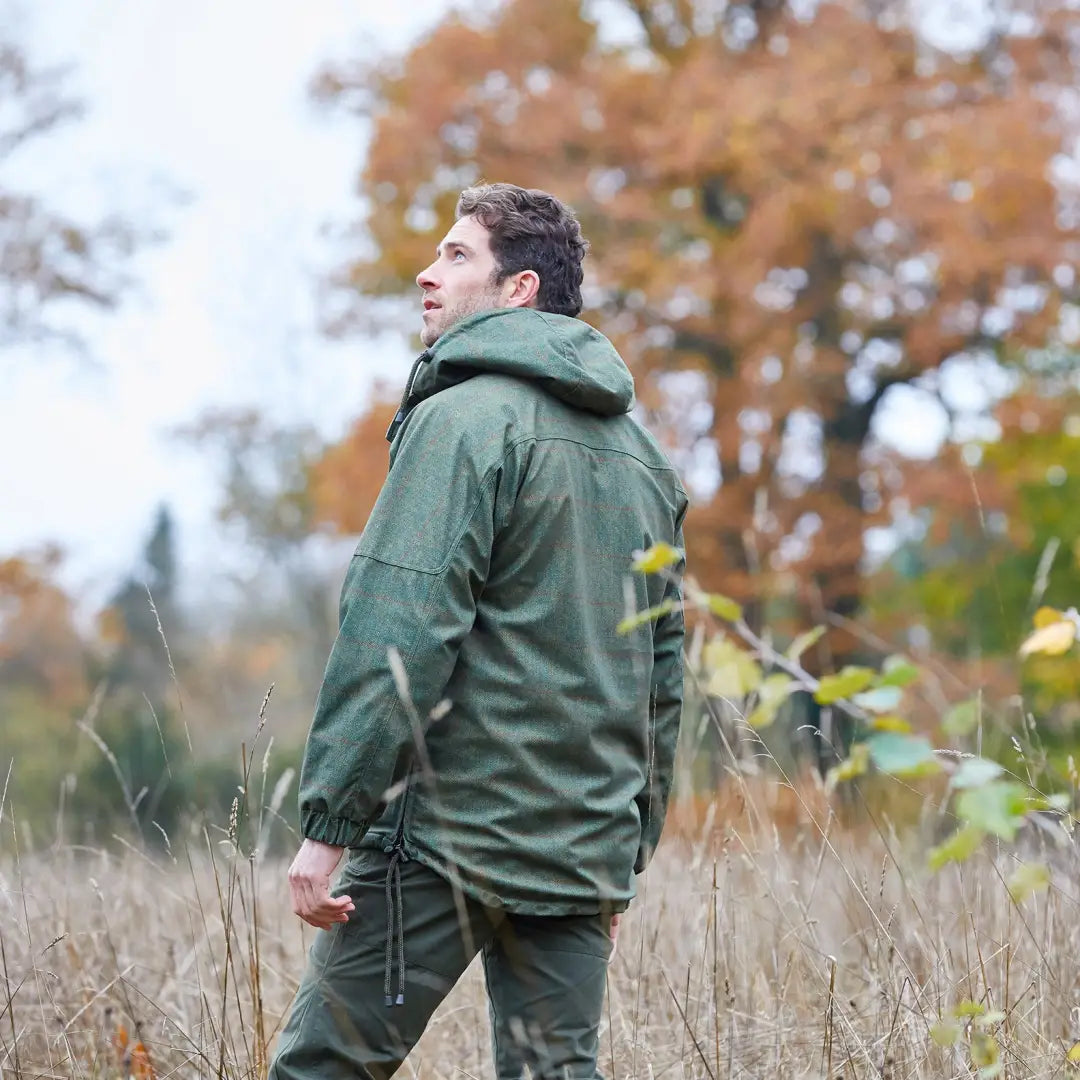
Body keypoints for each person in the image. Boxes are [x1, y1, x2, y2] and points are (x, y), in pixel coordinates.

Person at [269, 183, 687, 1080]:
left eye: (457, 256)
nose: (427, 273)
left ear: (519, 290)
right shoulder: (645, 461)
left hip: (444, 838)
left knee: (322, 1071)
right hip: (580, 846)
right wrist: (625, 857)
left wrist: (330, 822)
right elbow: (662, 676)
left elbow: (399, 625)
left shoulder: (460, 421)